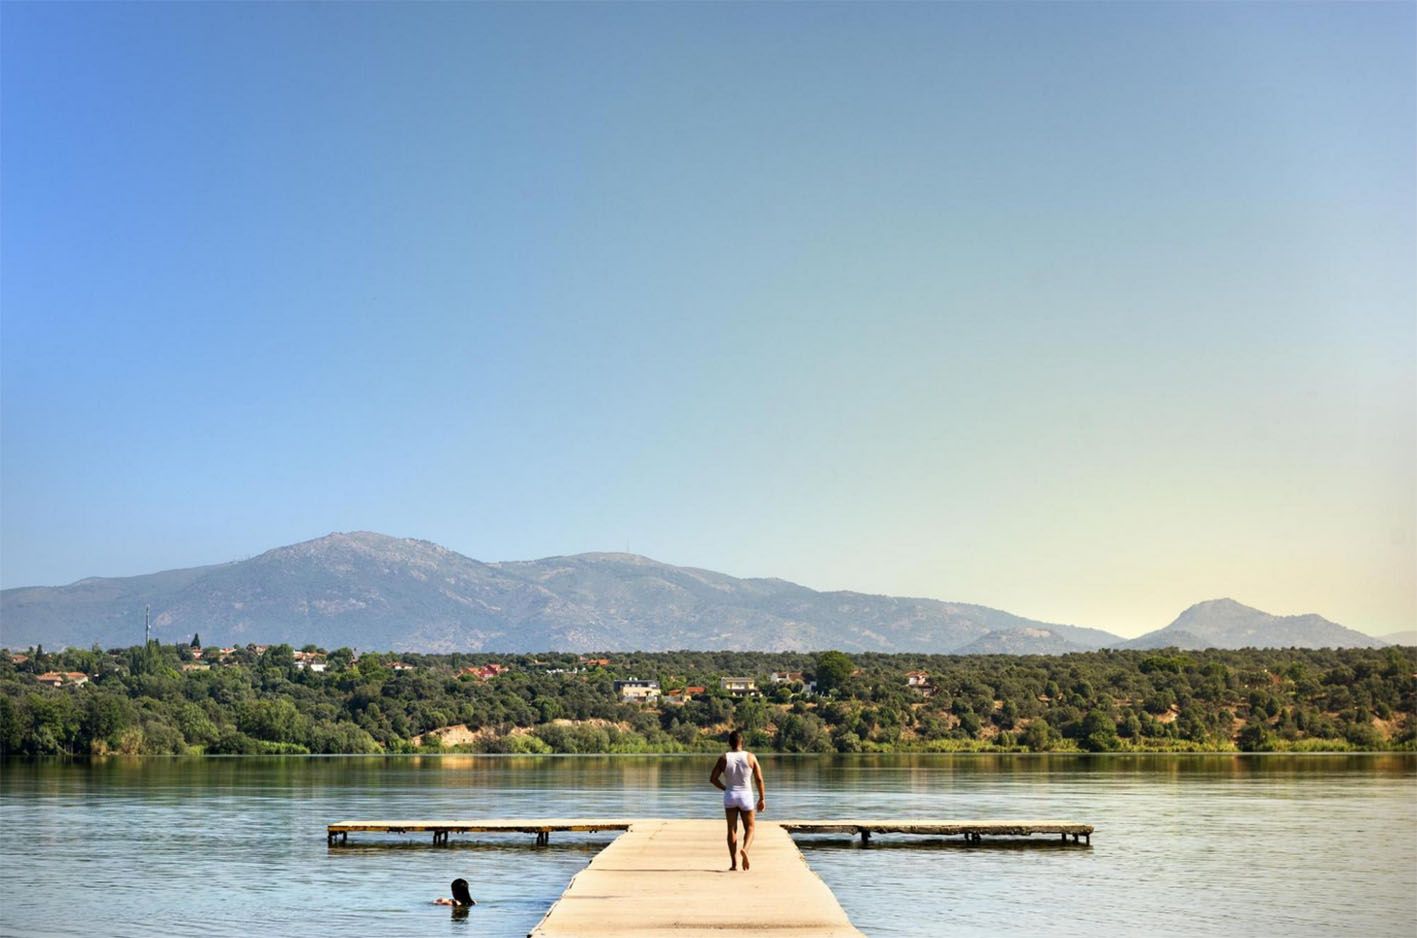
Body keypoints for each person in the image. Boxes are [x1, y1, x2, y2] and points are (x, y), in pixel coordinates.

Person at [710, 728, 766, 872]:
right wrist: (762, 798)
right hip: (746, 796)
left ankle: (734, 864)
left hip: (730, 795)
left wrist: (725, 788)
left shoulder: (724, 758)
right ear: (742, 742)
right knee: (751, 828)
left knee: (731, 829)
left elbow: (713, 779)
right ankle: (745, 850)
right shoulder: (751, 757)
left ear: (730, 743)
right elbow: (759, 779)